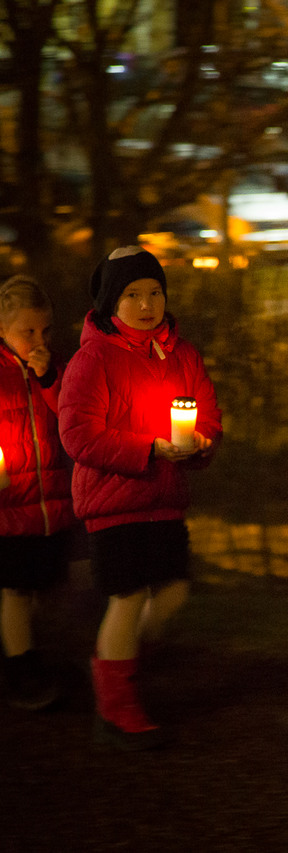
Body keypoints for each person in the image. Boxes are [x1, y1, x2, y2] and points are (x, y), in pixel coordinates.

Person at [59, 246, 221, 750]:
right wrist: (147, 448)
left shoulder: (182, 354)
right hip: (113, 504)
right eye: (133, 294)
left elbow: (208, 414)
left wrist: (202, 442)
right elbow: (78, 435)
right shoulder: (93, 359)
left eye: (154, 292)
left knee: (172, 593)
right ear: (112, 302)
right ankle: (115, 710)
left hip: (164, 500)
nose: (147, 304)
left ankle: (125, 661)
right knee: (127, 599)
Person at [0, 275, 75, 711]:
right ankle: (20, 668)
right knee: (15, 589)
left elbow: (70, 416)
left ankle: (32, 652)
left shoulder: (54, 368)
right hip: (10, 505)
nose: (38, 340)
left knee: (44, 586)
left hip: (52, 503)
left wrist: (48, 379)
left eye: (45, 330)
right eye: (27, 331)